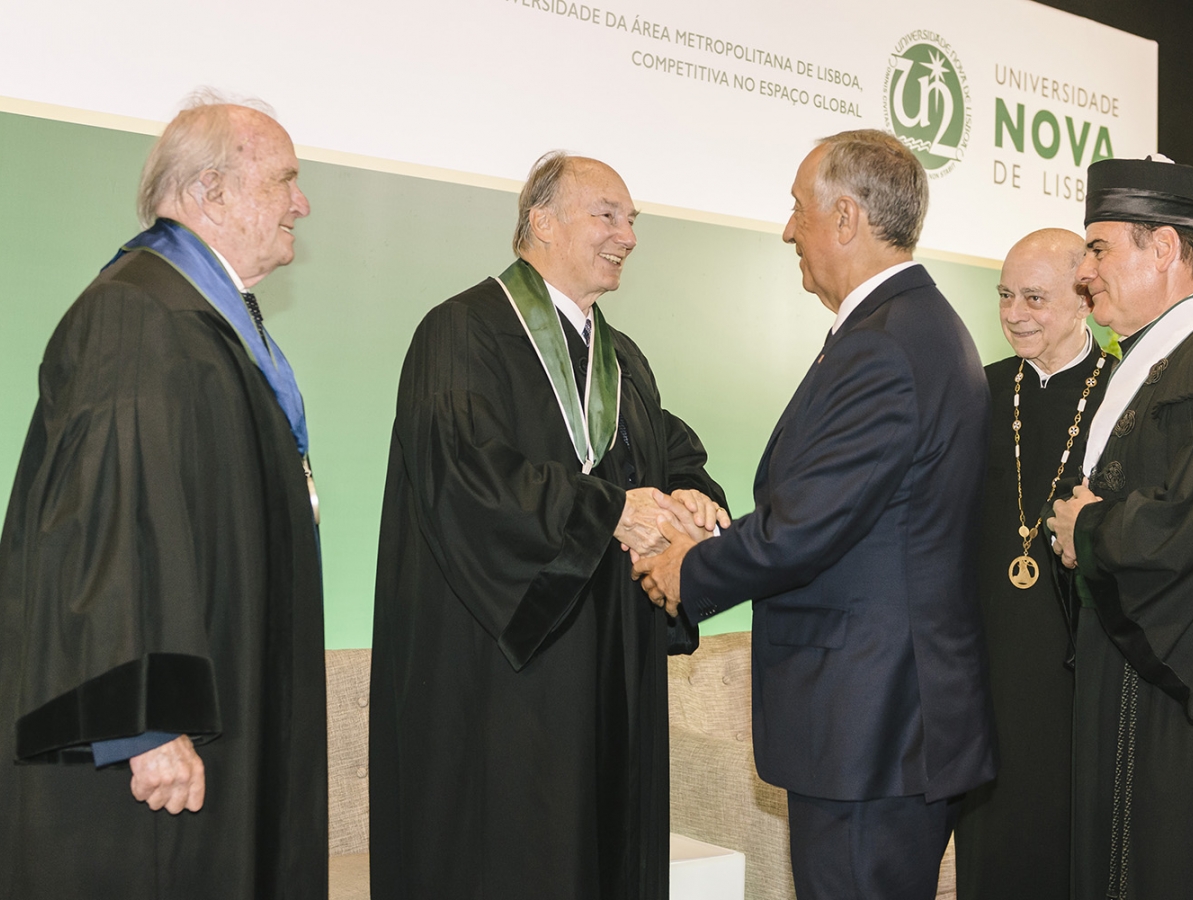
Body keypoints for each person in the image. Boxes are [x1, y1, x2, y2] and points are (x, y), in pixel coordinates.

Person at [633, 130, 995, 900]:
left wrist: (685, 568)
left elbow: (806, 528)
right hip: (882, 725)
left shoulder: (886, 347)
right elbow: (845, 515)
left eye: (799, 210)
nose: (788, 229)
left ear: (845, 219)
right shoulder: (908, 330)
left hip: (870, 728)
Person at [369, 151, 728, 900]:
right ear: (541, 221)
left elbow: (669, 450)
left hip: (609, 669)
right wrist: (609, 511)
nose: (627, 235)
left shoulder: (621, 358)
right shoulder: (460, 333)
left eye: (633, 220)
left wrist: (690, 495)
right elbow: (466, 479)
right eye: (608, 215)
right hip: (504, 676)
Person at [0, 94, 326, 898]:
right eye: (285, 179)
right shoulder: (135, 314)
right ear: (212, 191)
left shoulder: (198, 320)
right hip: (148, 762)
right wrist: (142, 722)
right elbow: (101, 527)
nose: (302, 202)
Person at [1046, 156, 1193, 899]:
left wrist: (1090, 531)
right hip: (1140, 675)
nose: (1086, 271)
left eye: (1101, 248)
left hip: (1185, 696)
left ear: (1166, 250)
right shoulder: (1163, 361)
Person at [954, 229, 1111, 900]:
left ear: (1082, 300)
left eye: (1035, 298)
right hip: (986, 674)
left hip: (1082, 678)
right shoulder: (975, 393)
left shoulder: (1125, 395)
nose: (1015, 312)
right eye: (1005, 296)